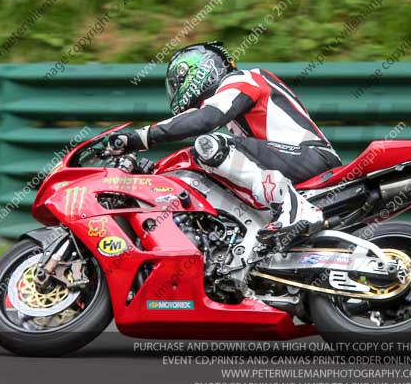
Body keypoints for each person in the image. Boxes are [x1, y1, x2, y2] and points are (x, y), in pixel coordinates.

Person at [106, 41, 341, 246]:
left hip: (312, 157)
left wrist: (140, 137)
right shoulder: (237, 106)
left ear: (200, 69)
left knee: (211, 146)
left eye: (177, 83)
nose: (175, 92)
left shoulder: (245, 78)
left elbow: (205, 119)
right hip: (292, 160)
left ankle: (296, 210)